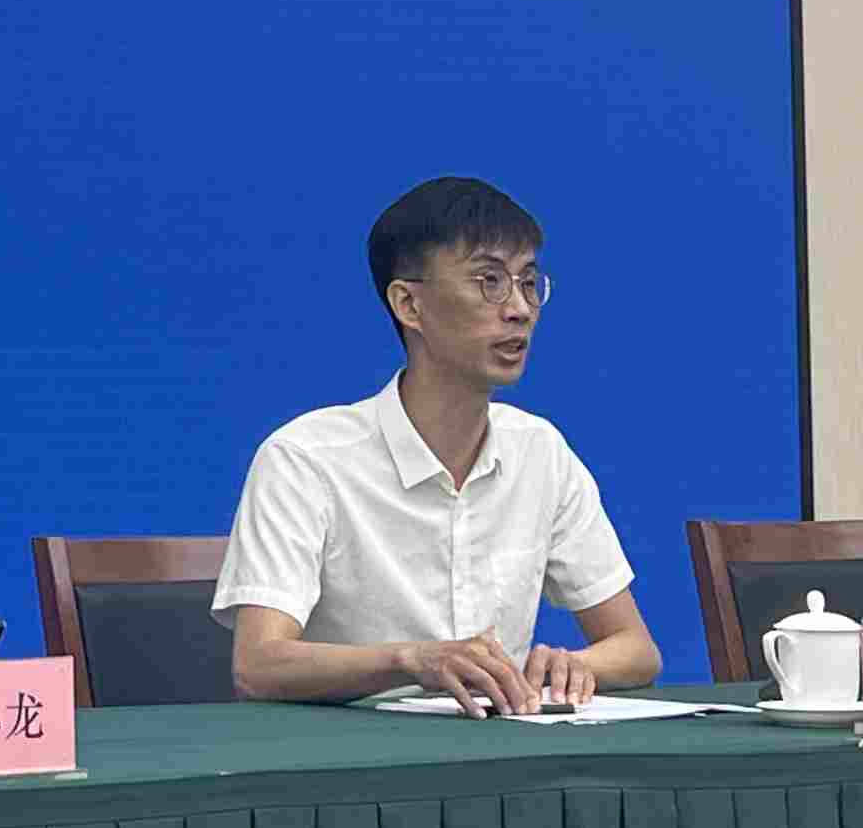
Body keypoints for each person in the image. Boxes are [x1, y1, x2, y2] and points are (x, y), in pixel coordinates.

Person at [213, 176, 661, 711]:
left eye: (527, 282)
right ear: (409, 304)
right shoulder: (305, 459)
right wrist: (412, 661)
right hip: (348, 751)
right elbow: (259, 665)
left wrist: (578, 665)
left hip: (504, 745)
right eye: (489, 281)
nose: (519, 308)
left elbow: (637, 650)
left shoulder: (541, 451)